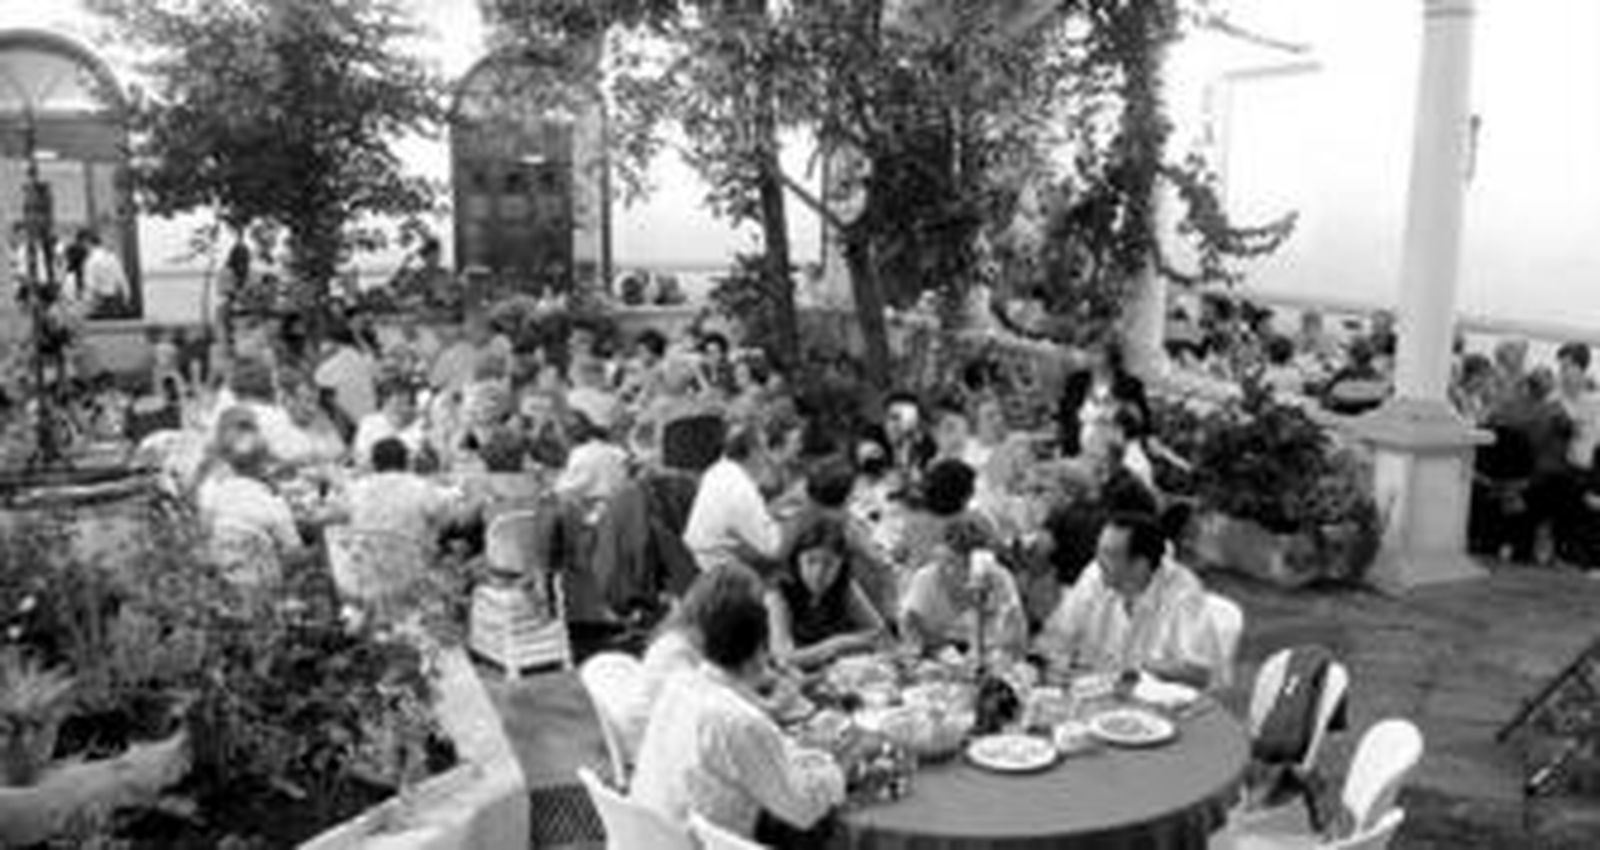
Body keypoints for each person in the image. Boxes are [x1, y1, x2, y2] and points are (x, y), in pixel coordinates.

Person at [632, 583, 846, 840]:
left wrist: (799, 753)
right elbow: (804, 812)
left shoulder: (679, 684)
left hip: (646, 834)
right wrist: (838, 766)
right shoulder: (740, 720)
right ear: (759, 650)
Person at [1034, 512, 1219, 690]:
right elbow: (1057, 634)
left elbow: (1198, 673)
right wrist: (1054, 664)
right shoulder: (1095, 575)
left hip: (1152, 705)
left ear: (1140, 565)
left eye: (1109, 554)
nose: (1098, 560)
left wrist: (1132, 668)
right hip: (1092, 695)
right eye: (1098, 550)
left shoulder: (1183, 593)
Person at [196, 407, 311, 576]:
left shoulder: (216, 492)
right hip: (266, 584)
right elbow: (296, 554)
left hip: (224, 579)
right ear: (264, 464)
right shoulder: (272, 504)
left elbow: (204, 535)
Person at [765, 515, 886, 671]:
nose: (818, 573)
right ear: (796, 561)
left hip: (834, 673)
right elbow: (783, 657)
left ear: (841, 565)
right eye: (810, 561)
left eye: (829, 564)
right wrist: (838, 644)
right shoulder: (778, 592)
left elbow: (879, 633)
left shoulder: (844, 585)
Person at [898, 516, 1026, 658]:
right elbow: (910, 629)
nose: (952, 571)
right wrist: (932, 651)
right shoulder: (927, 579)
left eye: (964, 565)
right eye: (948, 562)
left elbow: (1014, 636)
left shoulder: (1000, 579)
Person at [684, 424, 785, 573]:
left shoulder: (716, 471)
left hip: (702, 561)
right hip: (724, 573)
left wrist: (773, 510)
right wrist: (799, 520)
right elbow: (772, 548)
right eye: (765, 450)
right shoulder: (741, 490)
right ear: (753, 452)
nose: (768, 457)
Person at [343, 437, 459, 550]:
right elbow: (448, 518)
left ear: (373, 464)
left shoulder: (357, 490)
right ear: (407, 461)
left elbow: (335, 514)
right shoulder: (421, 488)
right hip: (415, 563)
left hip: (367, 564)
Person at [1056, 336, 1150, 458]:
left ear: (1110, 355)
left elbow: (1143, 426)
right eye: (1085, 350)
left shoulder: (1131, 386)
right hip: (1079, 455)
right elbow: (1064, 418)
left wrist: (1118, 415)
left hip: (1120, 454)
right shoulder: (1075, 383)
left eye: (1095, 351)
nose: (1088, 356)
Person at [313, 324, 379, 427]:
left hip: (352, 418)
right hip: (370, 413)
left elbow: (318, 378)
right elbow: (370, 359)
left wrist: (321, 359)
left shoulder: (337, 361)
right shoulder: (356, 355)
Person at [353, 378, 427, 468]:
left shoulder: (420, 423)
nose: (406, 406)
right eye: (400, 400)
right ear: (385, 400)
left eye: (409, 402)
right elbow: (361, 456)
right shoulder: (369, 423)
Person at [79, 229, 130, 316]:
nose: (82, 247)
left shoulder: (90, 262)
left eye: (81, 244)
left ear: (86, 242)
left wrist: (84, 306)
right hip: (115, 304)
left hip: (99, 306)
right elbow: (122, 279)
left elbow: (90, 286)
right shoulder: (112, 257)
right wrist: (126, 299)